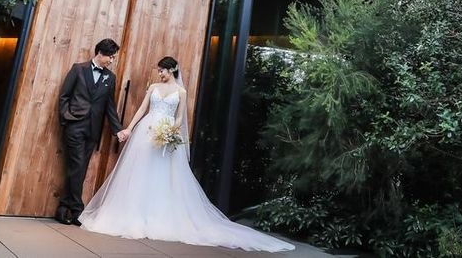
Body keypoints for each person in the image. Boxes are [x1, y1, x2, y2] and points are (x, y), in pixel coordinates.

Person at [80, 56, 295, 252]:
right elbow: (142, 109)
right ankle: (132, 214)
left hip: (165, 134)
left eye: (162, 71)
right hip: (146, 131)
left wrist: (171, 133)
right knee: (139, 172)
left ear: (172, 70)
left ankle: (157, 216)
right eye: (159, 71)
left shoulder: (181, 92)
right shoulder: (153, 87)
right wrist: (128, 129)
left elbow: (180, 118)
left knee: (161, 176)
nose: (160, 74)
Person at [56, 38, 127, 226]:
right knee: (77, 165)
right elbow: (64, 96)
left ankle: (63, 209)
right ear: (100, 53)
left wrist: (117, 130)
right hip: (75, 127)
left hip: (93, 130)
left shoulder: (110, 78)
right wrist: (66, 119)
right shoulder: (78, 69)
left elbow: (110, 106)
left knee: (78, 168)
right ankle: (78, 210)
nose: (112, 60)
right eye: (110, 57)